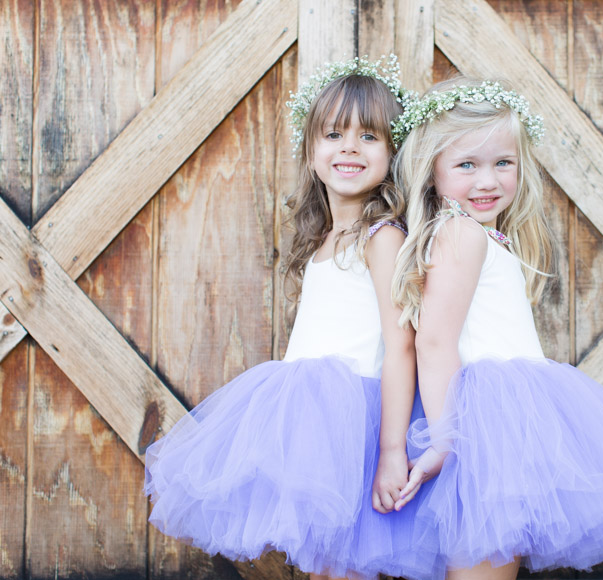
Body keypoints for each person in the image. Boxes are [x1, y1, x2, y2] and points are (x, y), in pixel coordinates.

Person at [391, 77, 603, 579]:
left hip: (505, 422)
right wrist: (446, 440)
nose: (487, 180)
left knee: (495, 559)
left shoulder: (483, 234)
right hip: (481, 426)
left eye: (502, 163)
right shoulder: (462, 235)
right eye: (466, 165)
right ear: (432, 171)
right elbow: (433, 340)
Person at [144, 55, 442, 580]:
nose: (349, 147)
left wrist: (392, 450)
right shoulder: (325, 237)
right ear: (310, 152)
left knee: (348, 565)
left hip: (356, 422)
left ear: (394, 154)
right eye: (333, 134)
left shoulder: (382, 236)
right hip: (308, 420)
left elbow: (402, 346)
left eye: (369, 137)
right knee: (324, 566)